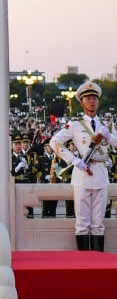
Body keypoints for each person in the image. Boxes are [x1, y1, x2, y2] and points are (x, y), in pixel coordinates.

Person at [50, 82, 115, 251]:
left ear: (98, 101)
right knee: (82, 222)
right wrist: (74, 160)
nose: (91, 101)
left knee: (98, 223)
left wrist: (109, 137)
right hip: (82, 174)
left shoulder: (107, 125)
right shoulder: (75, 125)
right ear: (82, 102)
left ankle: (98, 261)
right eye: (88, 98)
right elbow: (54, 142)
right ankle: (84, 261)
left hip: (100, 173)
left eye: (94, 98)